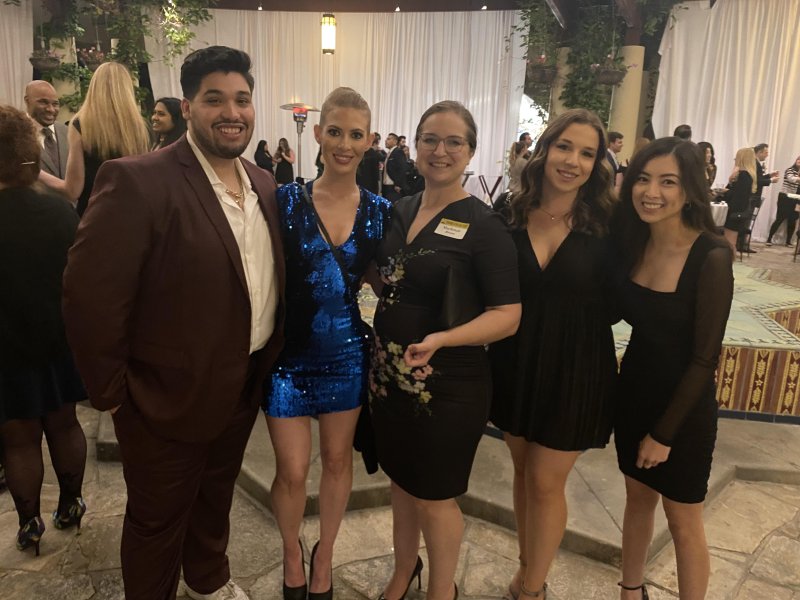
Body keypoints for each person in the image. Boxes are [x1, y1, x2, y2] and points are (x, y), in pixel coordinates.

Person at [62, 46, 285, 600]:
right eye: (215, 99)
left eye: (242, 99)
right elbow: (89, 296)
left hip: (240, 386)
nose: (231, 112)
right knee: (157, 523)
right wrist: (111, 395)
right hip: (161, 399)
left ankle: (207, 582)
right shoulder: (138, 180)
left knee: (214, 501)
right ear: (188, 107)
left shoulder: (264, 185)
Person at [370, 101, 521, 600]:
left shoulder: (484, 224)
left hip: (449, 381)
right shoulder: (400, 209)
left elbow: (508, 315)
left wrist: (441, 339)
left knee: (435, 496)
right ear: (414, 147)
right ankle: (402, 572)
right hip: (389, 376)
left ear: (471, 151)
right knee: (399, 483)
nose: (441, 150)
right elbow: (389, 278)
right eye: (430, 139)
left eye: (454, 141)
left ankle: (442, 592)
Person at [264, 87, 390, 600]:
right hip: (288, 360)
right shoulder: (285, 199)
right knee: (292, 472)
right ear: (317, 134)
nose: (344, 143)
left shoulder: (382, 211)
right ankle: (292, 550)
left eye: (355, 134)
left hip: (345, 356)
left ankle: (326, 555)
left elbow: (389, 283)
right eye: (334, 131)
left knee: (338, 463)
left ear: (368, 142)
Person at [488, 108, 618, 600]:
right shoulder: (510, 209)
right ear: (545, 150)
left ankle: (531, 590)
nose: (573, 161)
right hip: (515, 358)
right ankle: (527, 569)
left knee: (546, 480)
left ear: (597, 164)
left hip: (576, 363)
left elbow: (623, 293)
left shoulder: (608, 219)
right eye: (565, 147)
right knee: (523, 472)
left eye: (587, 153)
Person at [610, 137, 733, 600]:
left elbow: (705, 357)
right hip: (634, 393)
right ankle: (630, 591)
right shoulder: (634, 244)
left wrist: (664, 433)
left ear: (690, 190)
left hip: (684, 411)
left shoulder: (711, 256)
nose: (651, 191)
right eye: (643, 179)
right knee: (637, 500)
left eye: (668, 182)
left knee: (683, 518)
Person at [0, 105, 87, 557]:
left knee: (18, 439)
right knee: (65, 423)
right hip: (58, 341)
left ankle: (28, 522)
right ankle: (71, 505)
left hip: (6, 351)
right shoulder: (60, 215)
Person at [38, 62, 150, 216]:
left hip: (95, 217)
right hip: (134, 215)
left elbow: (72, 191)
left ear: (94, 87)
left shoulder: (81, 126)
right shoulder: (141, 129)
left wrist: (36, 172)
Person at [24, 80, 68, 178]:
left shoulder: (67, 132)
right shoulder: (14, 134)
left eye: (55, 104)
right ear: (27, 101)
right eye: (43, 102)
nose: (51, 109)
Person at [722, 147, 757, 251]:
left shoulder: (743, 176)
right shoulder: (747, 175)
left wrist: (726, 191)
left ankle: (728, 265)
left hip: (735, 212)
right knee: (730, 242)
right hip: (739, 211)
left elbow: (737, 196)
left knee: (730, 243)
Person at [766, 155, 800, 246]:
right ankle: (769, 239)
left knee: (793, 220)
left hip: (797, 199)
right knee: (780, 219)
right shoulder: (790, 170)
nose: (799, 161)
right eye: (798, 159)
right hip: (785, 197)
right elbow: (791, 179)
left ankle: (788, 241)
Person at [383, 132, 408, 202]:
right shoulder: (389, 153)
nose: (385, 141)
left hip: (393, 187)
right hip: (385, 187)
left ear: (395, 141)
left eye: (388, 139)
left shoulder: (398, 152)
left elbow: (402, 168)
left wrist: (398, 184)